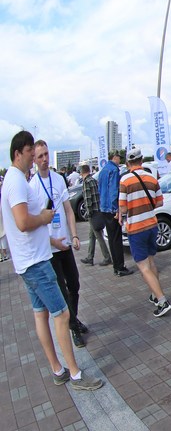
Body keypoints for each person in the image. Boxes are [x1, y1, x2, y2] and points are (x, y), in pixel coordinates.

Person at [0, 131, 103, 390]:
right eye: (30, 153)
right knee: (62, 313)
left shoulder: (16, 180)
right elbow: (23, 222)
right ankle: (76, 374)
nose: (34, 157)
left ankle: (58, 369)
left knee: (42, 314)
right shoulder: (18, 182)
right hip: (36, 261)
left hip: (28, 260)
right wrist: (44, 218)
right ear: (18, 153)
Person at [31, 140, 89, 348]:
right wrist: (53, 241)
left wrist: (74, 235)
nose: (45, 159)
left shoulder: (58, 179)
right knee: (62, 291)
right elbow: (34, 226)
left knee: (74, 285)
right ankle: (73, 327)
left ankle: (73, 320)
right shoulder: (32, 187)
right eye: (40, 156)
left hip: (65, 245)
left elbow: (67, 210)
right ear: (34, 160)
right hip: (50, 249)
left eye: (46, 154)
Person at [120, 148, 171, 317]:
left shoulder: (125, 181)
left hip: (136, 228)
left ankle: (162, 301)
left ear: (128, 163)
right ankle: (154, 294)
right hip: (152, 225)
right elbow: (159, 202)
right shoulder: (151, 177)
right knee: (151, 263)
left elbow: (122, 207)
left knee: (143, 267)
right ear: (142, 160)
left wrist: (124, 214)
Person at [98, 151, 133, 277]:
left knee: (112, 239)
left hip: (104, 208)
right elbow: (114, 191)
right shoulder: (114, 170)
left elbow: (100, 190)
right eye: (119, 158)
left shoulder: (102, 171)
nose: (120, 160)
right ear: (115, 157)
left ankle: (115, 267)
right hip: (112, 209)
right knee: (117, 239)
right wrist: (116, 209)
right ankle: (120, 267)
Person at [79, 164, 112, 267]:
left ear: (81, 172)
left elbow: (88, 200)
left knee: (98, 235)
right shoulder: (93, 180)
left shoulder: (86, 182)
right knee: (92, 235)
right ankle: (90, 257)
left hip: (93, 213)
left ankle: (107, 257)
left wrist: (87, 214)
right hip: (99, 211)